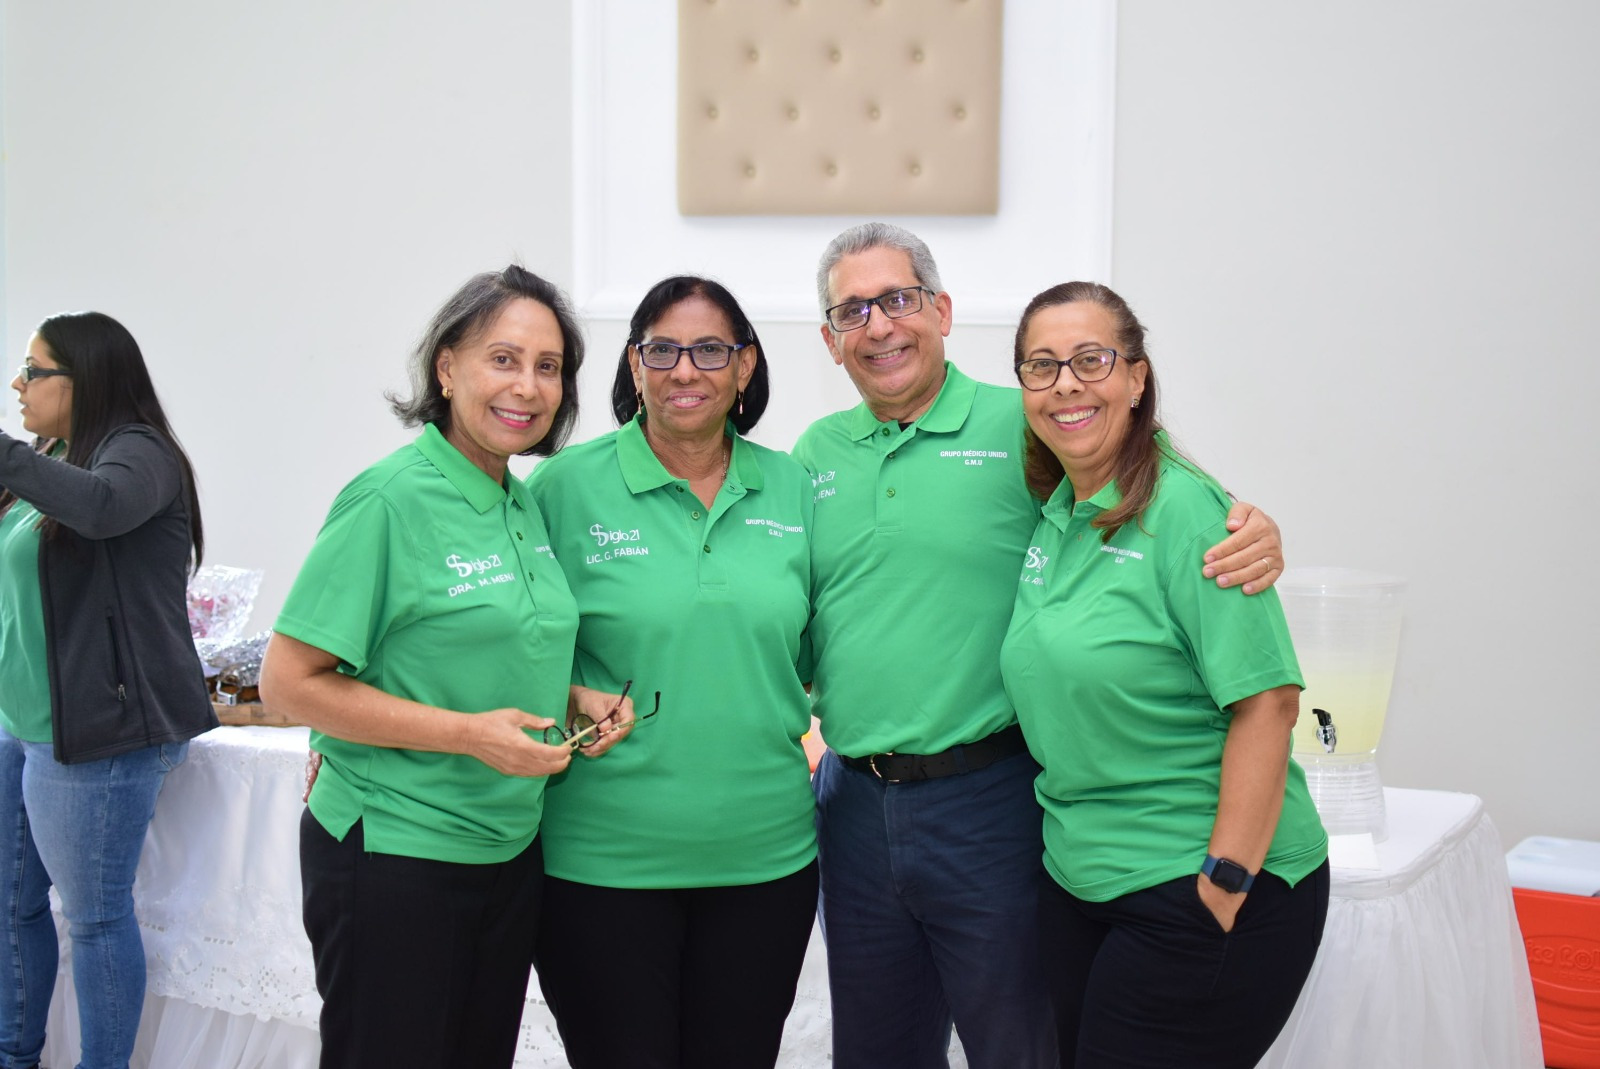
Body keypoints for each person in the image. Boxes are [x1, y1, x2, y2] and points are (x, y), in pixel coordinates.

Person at [790, 223, 1286, 1069]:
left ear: (942, 311)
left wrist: (1252, 526)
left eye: (900, 299)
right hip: (854, 807)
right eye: (853, 310)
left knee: (1020, 1043)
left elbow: (1147, 481)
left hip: (990, 799)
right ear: (831, 340)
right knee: (875, 1049)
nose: (879, 325)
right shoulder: (815, 455)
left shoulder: (1025, 421)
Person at [258, 265, 632, 1069]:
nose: (527, 386)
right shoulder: (389, 499)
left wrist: (573, 694)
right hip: (396, 853)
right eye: (503, 358)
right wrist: (468, 735)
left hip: (506, 853)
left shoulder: (517, 498)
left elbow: (478, 647)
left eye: (548, 366)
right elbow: (287, 683)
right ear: (447, 368)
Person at [999, 281, 1329, 1066]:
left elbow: (1270, 704)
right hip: (1082, 876)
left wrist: (1223, 881)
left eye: (1091, 359)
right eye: (1042, 365)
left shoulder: (1188, 513)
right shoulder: (1057, 510)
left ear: (1136, 377)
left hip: (1196, 880)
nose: (1066, 384)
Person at [528, 276, 818, 1068]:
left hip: (766, 860)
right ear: (635, 364)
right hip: (601, 864)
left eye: (710, 350)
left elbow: (822, 649)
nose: (685, 369)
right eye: (662, 349)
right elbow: (500, 640)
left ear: (745, 365)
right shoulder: (562, 489)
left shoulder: (793, 486)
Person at [0, 312, 215, 1069]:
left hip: (101, 730)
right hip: (23, 720)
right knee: (12, 905)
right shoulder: (48, 456)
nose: (18, 384)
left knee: (92, 921)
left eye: (34, 371)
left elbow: (97, 508)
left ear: (83, 378)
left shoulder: (140, 453)